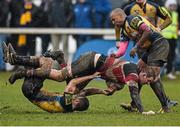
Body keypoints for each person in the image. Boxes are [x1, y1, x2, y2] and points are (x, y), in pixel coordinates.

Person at [3, 42, 156, 114]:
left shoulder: (69, 104)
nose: (147, 84)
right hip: (90, 61)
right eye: (148, 81)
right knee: (58, 76)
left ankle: (17, 59)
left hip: (32, 90)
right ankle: (19, 68)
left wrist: (102, 90)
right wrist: (142, 110)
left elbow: (81, 90)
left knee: (49, 65)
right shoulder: (132, 73)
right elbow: (134, 92)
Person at [110, 8, 177, 113]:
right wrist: (116, 54)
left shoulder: (132, 20)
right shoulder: (124, 30)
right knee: (136, 71)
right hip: (150, 49)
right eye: (112, 20)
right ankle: (134, 104)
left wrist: (136, 47)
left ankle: (165, 107)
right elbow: (123, 48)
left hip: (159, 44)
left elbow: (147, 30)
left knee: (152, 76)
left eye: (114, 19)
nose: (113, 22)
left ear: (121, 16)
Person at [161, 0, 179, 79]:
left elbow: (176, 25)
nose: (173, 7)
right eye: (171, 5)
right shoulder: (162, 12)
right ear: (167, 5)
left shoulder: (175, 14)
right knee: (162, 56)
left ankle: (169, 72)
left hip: (173, 38)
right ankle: (160, 72)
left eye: (174, 5)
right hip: (164, 38)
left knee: (171, 56)